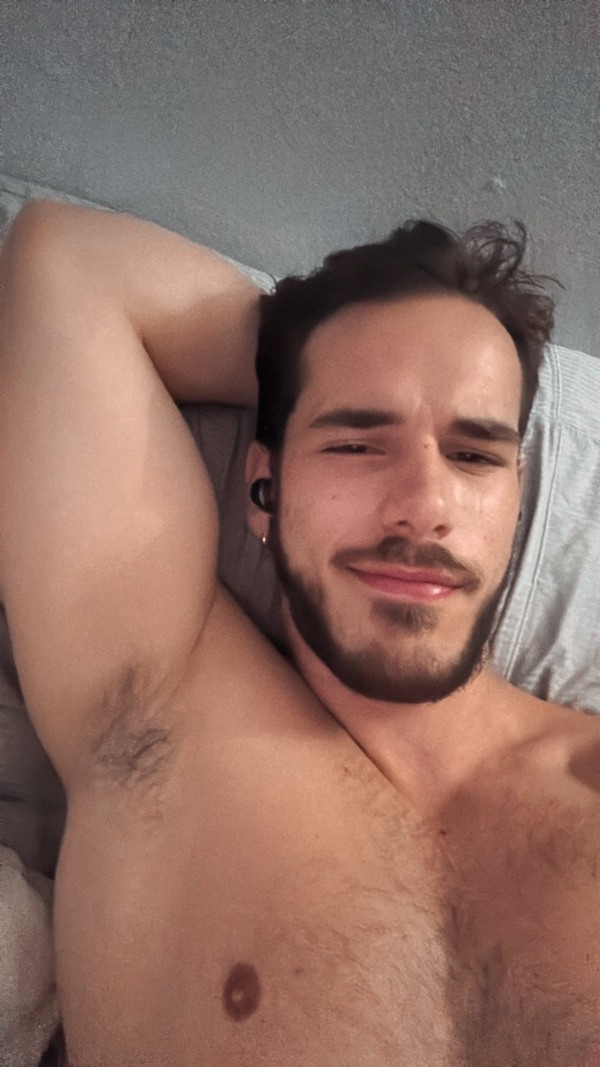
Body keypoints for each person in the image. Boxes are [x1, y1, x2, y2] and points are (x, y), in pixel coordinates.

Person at [0, 201, 599, 1067]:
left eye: (474, 455)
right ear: (264, 489)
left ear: (515, 498)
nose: (426, 505)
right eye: (356, 443)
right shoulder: (154, 713)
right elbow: (65, 263)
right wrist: (304, 363)